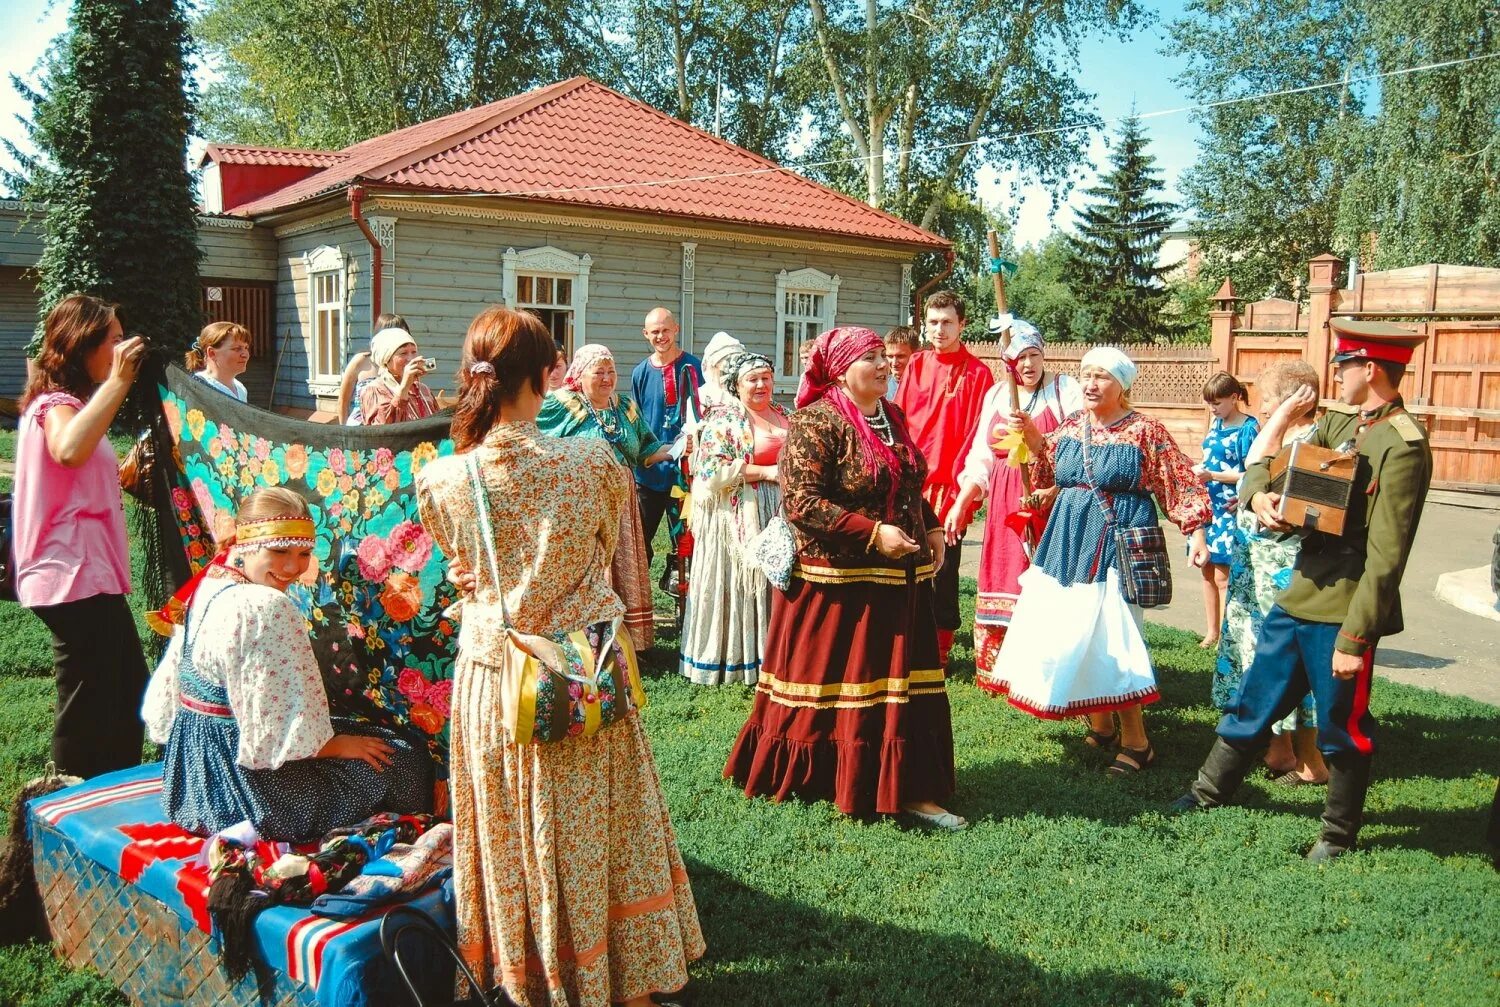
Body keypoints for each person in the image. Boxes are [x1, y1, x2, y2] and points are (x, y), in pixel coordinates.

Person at [416, 306, 703, 1006]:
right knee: (604, 824)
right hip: (583, 670)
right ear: (548, 375)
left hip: (497, 679)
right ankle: (626, 981)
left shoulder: (445, 478)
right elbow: (607, 550)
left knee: (513, 829)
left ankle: (533, 978)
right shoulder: (593, 461)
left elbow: (461, 565)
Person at [1173, 322, 1433, 862]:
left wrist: (1356, 638)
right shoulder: (1339, 423)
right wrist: (1259, 492)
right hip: (1299, 595)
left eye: (1345, 366)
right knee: (1254, 700)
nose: (1336, 375)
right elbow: (1261, 469)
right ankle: (1207, 792)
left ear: (1371, 370)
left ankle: (1336, 835)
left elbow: (1388, 554)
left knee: (1341, 726)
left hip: (1343, 608)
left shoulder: (1402, 443)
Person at [724, 326, 964, 830]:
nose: (883, 365)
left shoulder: (891, 416)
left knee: (898, 685)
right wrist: (873, 533)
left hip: (897, 579)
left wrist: (933, 526)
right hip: (836, 582)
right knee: (839, 684)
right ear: (839, 370)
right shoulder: (816, 422)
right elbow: (802, 502)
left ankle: (908, 786)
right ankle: (829, 776)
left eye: (883, 356)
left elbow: (906, 480)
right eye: (869, 357)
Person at [142, 488, 432, 840]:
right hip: (244, 794)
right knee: (403, 760)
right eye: (279, 552)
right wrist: (339, 745)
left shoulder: (209, 582)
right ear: (246, 544)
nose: (293, 567)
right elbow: (280, 732)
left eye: (304, 553)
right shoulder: (263, 606)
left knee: (367, 737)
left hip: (192, 777)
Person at [995, 348, 1211, 774]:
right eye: (1086, 375)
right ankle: (1103, 725)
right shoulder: (1074, 424)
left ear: (1122, 385)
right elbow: (1051, 465)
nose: (1091, 384)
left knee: (1115, 635)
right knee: (1076, 629)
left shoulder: (1145, 430)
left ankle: (1138, 743)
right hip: (1068, 540)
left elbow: (1179, 480)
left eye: (1102, 377)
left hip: (1116, 540)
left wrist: (1196, 532)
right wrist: (1033, 436)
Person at [13, 294, 149, 779]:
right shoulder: (56, 405)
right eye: (113, 339)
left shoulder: (70, 404)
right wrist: (119, 382)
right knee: (92, 700)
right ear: (81, 343)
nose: (121, 349)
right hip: (70, 573)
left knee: (123, 690)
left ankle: (105, 790)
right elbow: (70, 450)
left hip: (85, 571)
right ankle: (72, 798)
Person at [945, 321, 1082, 691]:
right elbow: (981, 458)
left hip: (1051, 500)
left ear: (1044, 355)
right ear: (1009, 363)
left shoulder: (1064, 390)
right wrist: (961, 503)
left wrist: (1054, 484)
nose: (1028, 364)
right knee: (1006, 574)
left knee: (1046, 579)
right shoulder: (997, 395)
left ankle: (1047, 675)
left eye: (1034, 355)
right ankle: (999, 671)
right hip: (1006, 502)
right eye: (1019, 358)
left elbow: (1081, 448)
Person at [1213, 361, 1328, 786]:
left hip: (1284, 575)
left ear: (1298, 402)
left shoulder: (1317, 442)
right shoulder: (1280, 437)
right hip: (1255, 574)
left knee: (1290, 662)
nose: (1262, 410)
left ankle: (1312, 763)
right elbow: (1254, 472)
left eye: (1270, 402)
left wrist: (1281, 419)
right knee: (1260, 657)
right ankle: (1279, 751)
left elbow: (1255, 464)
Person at [539, 344, 673, 651]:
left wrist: (675, 450)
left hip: (622, 504)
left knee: (622, 562)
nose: (606, 378)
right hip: (581, 505)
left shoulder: (624, 407)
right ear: (579, 374)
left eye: (611, 371)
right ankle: (588, 640)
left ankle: (628, 641)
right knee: (590, 565)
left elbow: (646, 449)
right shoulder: (563, 404)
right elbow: (535, 438)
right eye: (598, 372)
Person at [893, 290, 995, 667]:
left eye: (947, 322)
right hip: (911, 483)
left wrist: (964, 493)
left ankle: (939, 652)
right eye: (933, 322)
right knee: (903, 563)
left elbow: (981, 437)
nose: (939, 329)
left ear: (962, 324)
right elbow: (899, 421)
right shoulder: (916, 365)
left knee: (945, 569)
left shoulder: (979, 374)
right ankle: (903, 643)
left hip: (951, 486)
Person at [679, 352, 788, 685]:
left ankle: (774, 654)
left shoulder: (784, 413)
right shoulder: (725, 419)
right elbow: (710, 470)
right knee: (743, 582)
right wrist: (766, 472)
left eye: (766, 377)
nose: (761, 385)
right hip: (739, 512)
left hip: (780, 509)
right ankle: (737, 658)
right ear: (736, 386)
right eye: (752, 379)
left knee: (775, 579)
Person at [630, 307, 702, 576]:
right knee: (638, 544)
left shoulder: (694, 367)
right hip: (648, 475)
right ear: (645, 334)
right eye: (655, 332)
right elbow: (636, 422)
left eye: (665, 330)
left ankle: (684, 597)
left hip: (684, 475)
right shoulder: (640, 373)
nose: (660, 336)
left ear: (676, 330)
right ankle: (638, 598)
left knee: (686, 546)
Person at [1194, 371, 1260, 649]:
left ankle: (1227, 635)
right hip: (1209, 505)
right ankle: (1211, 632)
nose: (1213, 408)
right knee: (1206, 570)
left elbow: (1253, 473)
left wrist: (1213, 476)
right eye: (1209, 403)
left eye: (1217, 403)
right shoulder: (1216, 423)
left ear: (1234, 398)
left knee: (1223, 575)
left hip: (1230, 506)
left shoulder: (1249, 428)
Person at [358, 324, 439, 425]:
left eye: (414, 352)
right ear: (387, 359)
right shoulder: (374, 390)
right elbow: (381, 429)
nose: (410, 359)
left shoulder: (423, 389)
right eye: (403, 353)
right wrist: (404, 387)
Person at [339, 312, 408, 424]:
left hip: (395, 425)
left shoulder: (405, 365)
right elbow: (343, 401)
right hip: (361, 425)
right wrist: (343, 431)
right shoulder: (361, 361)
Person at [186, 321, 251, 402]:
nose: (245, 354)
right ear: (212, 353)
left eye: (246, 348)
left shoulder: (240, 388)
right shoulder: (197, 386)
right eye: (237, 349)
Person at [693, 330, 744, 418]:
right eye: (725, 360)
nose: (731, 366)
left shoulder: (746, 390)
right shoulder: (700, 395)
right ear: (713, 365)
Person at [883, 325, 920, 397]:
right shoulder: (882, 387)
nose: (894, 363)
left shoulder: (926, 387)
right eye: (890, 356)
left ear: (915, 355)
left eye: (900, 356)